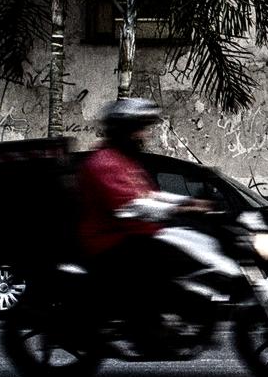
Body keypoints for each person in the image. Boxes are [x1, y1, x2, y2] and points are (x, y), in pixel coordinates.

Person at [75, 98, 210, 340]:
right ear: (123, 131)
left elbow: (150, 196)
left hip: (132, 236)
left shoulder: (125, 162)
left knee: (182, 250)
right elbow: (130, 207)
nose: (144, 135)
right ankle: (148, 323)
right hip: (109, 242)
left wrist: (185, 202)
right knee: (160, 259)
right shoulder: (104, 163)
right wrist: (180, 210)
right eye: (139, 129)